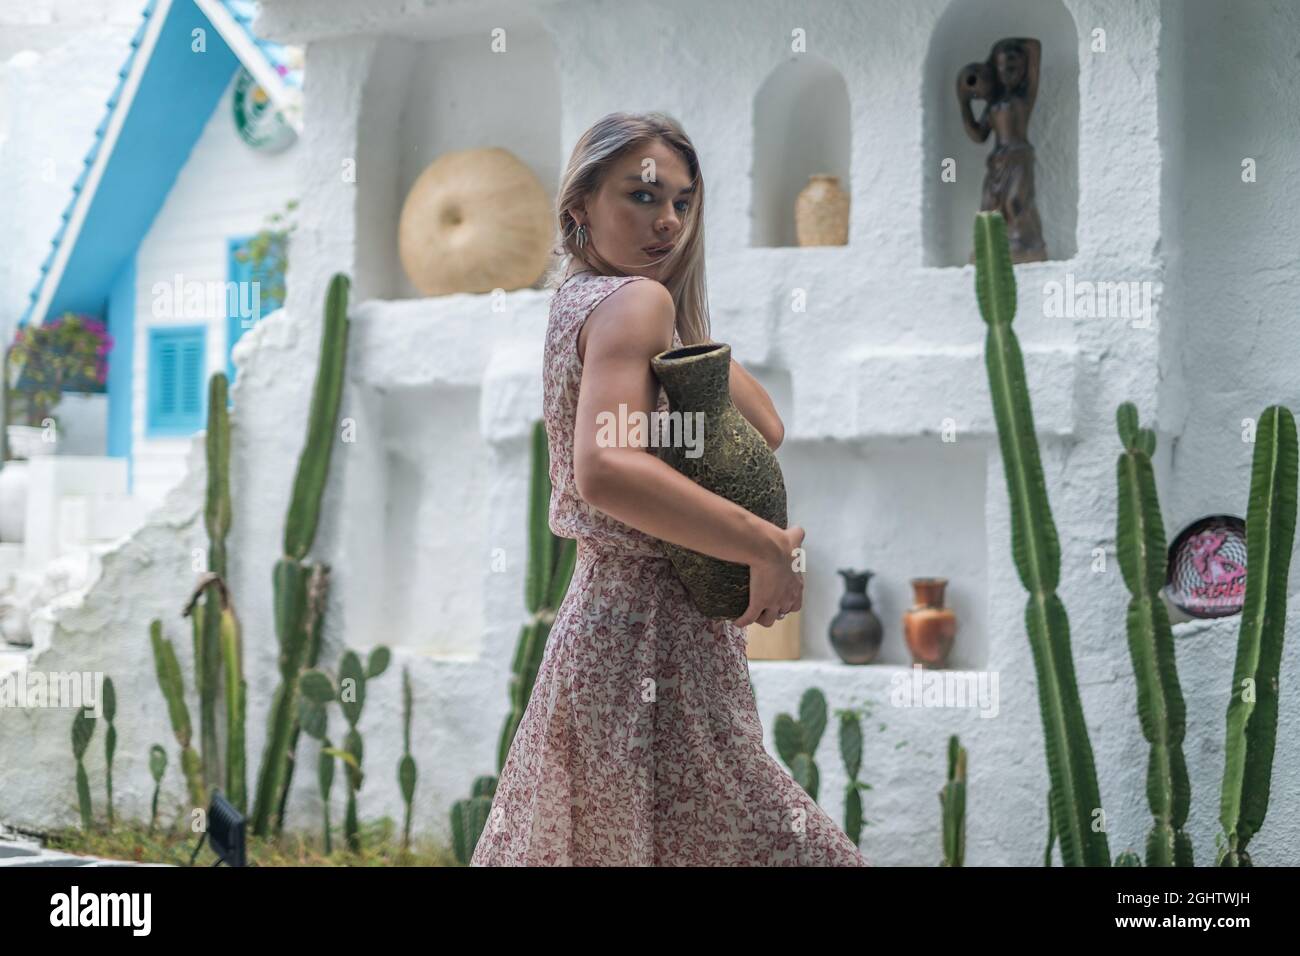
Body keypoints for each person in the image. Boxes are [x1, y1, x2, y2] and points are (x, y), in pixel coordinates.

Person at [470, 111, 869, 866]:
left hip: (614, 634)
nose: (669, 221)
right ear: (579, 206)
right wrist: (765, 547)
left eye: (684, 203)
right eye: (644, 197)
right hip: (650, 637)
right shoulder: (630, 304)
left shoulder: (603, 302)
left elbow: (766, 427)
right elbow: (606, 466)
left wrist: (679, 309)